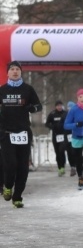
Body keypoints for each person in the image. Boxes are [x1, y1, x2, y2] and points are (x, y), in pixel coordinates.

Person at [0, 61, 42, 208]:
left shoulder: (28, 89)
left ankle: (17, 196)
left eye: (17, 69)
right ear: (8, 73)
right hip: (6, 133)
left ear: (21, 72)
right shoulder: (2, 90)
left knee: (23, 167)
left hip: (23, 132)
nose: (15, 71)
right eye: (12, 69)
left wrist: (31, 107)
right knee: (10, 164)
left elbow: (38, 106)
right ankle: (7, 186)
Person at [45, 100, 70, 177]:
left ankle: (63, 166)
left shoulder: (65, 113)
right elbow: (47, 123)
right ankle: (60, 168)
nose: (59, 107)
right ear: (55, 106)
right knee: (57, 152)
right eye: (58, 105)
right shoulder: (52, 114)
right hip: (55, 136)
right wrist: (52, 127)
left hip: (64, 135)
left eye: (60, 105)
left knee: (61, 150)